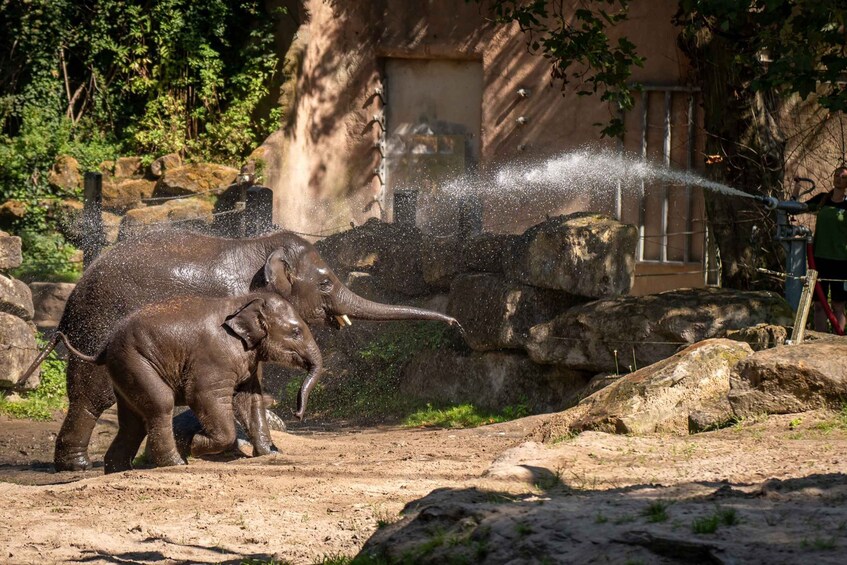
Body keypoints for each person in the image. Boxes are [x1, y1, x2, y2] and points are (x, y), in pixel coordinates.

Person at [793, 165, 847, 332]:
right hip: (819, 259)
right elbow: (796, 207)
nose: (839, 178)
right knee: (818, 304)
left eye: (844, 177)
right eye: (837, 175)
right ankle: (819, 339)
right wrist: (797, 187)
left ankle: (837, 342)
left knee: (838, 305)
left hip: (842, 260)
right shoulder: (823, 199)